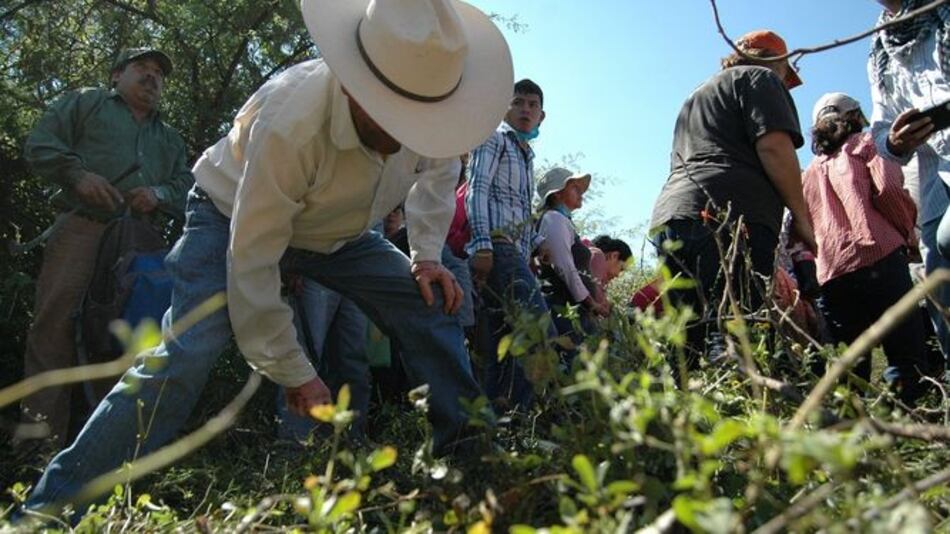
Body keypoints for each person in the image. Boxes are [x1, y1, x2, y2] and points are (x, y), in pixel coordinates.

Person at [22, 0, 513, 518]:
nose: (405, 135)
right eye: (392, 115)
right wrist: (295, 371)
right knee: (189, 348)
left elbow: (437, 176)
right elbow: (252, 261)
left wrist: (428, 256)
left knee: (428, 300)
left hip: (340, 237)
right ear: (353, 83)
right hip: (229, 216)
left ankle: (471, 465)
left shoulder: (430, 103)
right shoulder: (290, 120)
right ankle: (51, 509)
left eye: (418, 120)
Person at [18, 47, 193, 448]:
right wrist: (77, 175)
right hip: (82, 226)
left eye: (158, 74)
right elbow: (41, 143)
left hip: (141, 241)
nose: (151, 77)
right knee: (54, 327)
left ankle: (115, 449)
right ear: (116, 75)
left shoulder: (169, 138)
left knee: (135, 337)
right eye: (141, 69)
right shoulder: (86, 102)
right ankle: (37, 448)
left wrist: (158, 192)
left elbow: (188, 187)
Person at [649, 30, 815, 364]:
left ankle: (682, 413)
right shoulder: (761, 78)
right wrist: (801, 216)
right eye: (786, 71)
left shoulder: (696, 97)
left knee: (686, 344)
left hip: (673, 217)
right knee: (734, 339)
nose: (785, 80)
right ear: (774, 60)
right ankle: (739, 413)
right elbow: (774, 146)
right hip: (732, 216)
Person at [796, 92, 935, 401]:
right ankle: (903, 432)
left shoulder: (809, 173)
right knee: (905, 355)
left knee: (849, 370)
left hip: (833, 274)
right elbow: (887, 191)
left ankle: (853, 441)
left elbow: (801, 226)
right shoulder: (866, 144)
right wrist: (907, 233)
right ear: (855, 117)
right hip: (881, 258)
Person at [869, 0, 950, 368]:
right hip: (934, 180)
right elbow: (882, 127)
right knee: (940, 294)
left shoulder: (942, 12)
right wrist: (896, 141)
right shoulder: (881, 49)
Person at [465, 78, 555, 411]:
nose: (525, 110)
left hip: (514, 252)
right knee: (537, 328)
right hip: (497, 248)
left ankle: (497, 421)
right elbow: (477, 190)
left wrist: (535, 244)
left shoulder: (526, 155)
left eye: (532, 105)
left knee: (500, 340)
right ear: (506, 109)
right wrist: (483, 245)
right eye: (518, 103)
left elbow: (518, 209)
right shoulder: (494, 140)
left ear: (542, 116)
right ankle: (521, 414)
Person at [535, 167, 607, 348]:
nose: (581, 193)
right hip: (562, 310)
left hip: (573, 310)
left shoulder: (562, 221)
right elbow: (565, 268)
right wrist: (591, 303)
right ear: (557, 194)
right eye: (575, 188)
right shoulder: (553, 219)